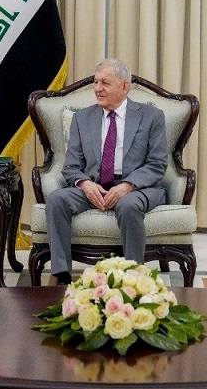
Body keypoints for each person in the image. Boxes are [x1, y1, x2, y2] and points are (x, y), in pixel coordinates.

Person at [45, 59, 168, 284]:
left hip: (137, 187)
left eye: (105, 83)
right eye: (96, 82)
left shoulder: (151, 116)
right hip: (95, 186)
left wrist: (127, 185)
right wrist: (85, 184)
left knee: (128, 205)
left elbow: (157, 163)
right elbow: (71, 166)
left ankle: (133, 277)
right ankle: (61, 275)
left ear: (124, 86)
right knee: (56, 199)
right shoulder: (82, 118)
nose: (98, 88)